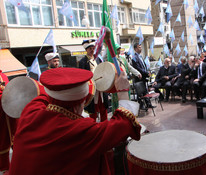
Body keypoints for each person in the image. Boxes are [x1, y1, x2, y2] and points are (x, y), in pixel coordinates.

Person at [9, 68, 141, 175]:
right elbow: (124, 122)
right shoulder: (79, 130)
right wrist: (123, 91)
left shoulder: (30, 112)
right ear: (79, 104)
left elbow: (45, 95)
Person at [78, 39, 109, 121]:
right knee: (93, 108)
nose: (92, 50)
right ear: (86, 50)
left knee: (103, 105)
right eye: (90, 49)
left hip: (101, 87)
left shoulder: (98, 59)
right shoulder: (83, 62)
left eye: (93, 48)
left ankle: (105, 124)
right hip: (91, 88)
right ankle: (93, 125)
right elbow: (82, 76)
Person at [0, 71, 18, 174]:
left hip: (9, 111)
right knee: (2, 139)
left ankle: (19, 162)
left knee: (16, 136)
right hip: (1, 114)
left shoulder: (2, 75)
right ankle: (4, 168)